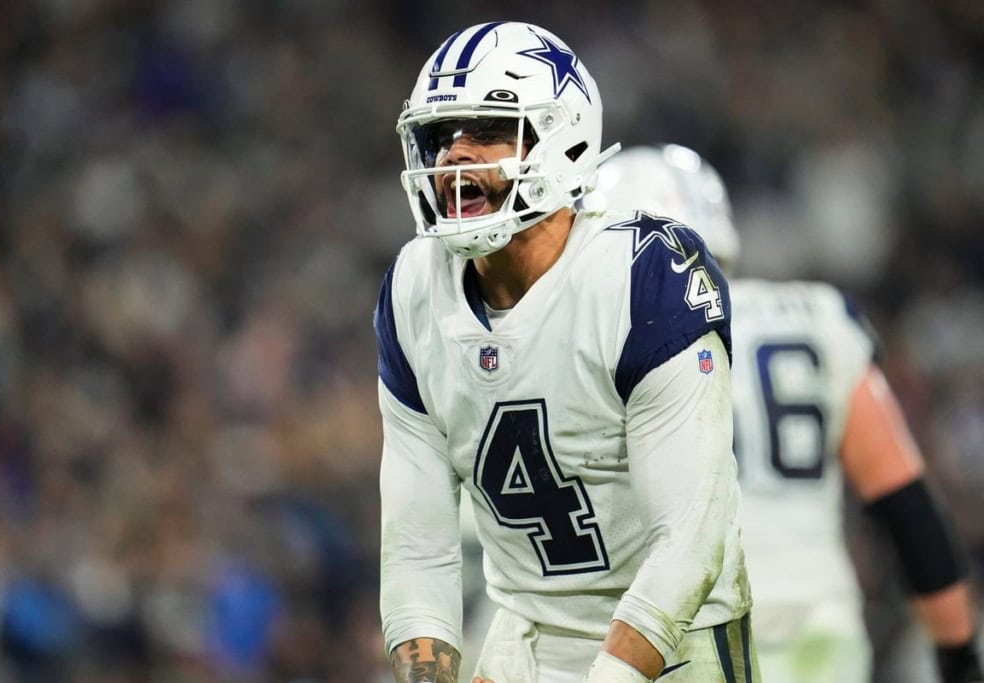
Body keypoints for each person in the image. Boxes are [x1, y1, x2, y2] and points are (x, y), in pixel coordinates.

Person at [374, 21, 760, 683]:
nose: (454, 158)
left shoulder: (642, 273)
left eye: (488, 130)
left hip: (671, 645)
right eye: (443, 137)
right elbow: (419, 544)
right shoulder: (415, 287)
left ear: (563, 138)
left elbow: (693, 534)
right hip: (525, 636)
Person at [591, 143, 984, 683]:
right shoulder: (818, 319)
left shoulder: (602, 345)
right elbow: (907, 508)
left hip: (680, 641)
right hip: (817, 637)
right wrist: (958, 656)